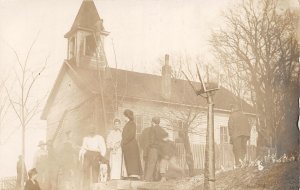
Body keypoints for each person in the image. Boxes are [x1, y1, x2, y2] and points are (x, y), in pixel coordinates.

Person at [79, 124, 106, 190]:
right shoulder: (86, 138)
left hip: (96, 154)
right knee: (85, 170)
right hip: (88, 154)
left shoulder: (99, 138)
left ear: (95, 131)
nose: (91, 132)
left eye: (93, 130)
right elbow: (83, 148)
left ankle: (95, 186)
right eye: (90, 131)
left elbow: (103, 148)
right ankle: (85, 187)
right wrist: (80, 157)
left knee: (95, 170)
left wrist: (101, 157)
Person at [144, 116, 168, 181]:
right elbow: (166, 137)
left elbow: (151, 140)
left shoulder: (153, 129)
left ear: (152, 122)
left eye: (151, 122)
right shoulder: (161, 129)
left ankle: (147, 178)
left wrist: (150, 145)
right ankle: (156, 178)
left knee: (151, 163)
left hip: (153, 148)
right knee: (158, 164)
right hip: (160, 149)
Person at [121, 109, 143, 180]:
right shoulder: (128, 124)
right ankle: (130, 175)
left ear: (127, 116)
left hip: (131, 145)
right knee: (129, 160)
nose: (124, 118)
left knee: (132, 160)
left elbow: (131, 135)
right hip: (128, 145)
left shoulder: (132, 123)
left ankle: (134, 176)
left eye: (124, 116)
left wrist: (124, 141)